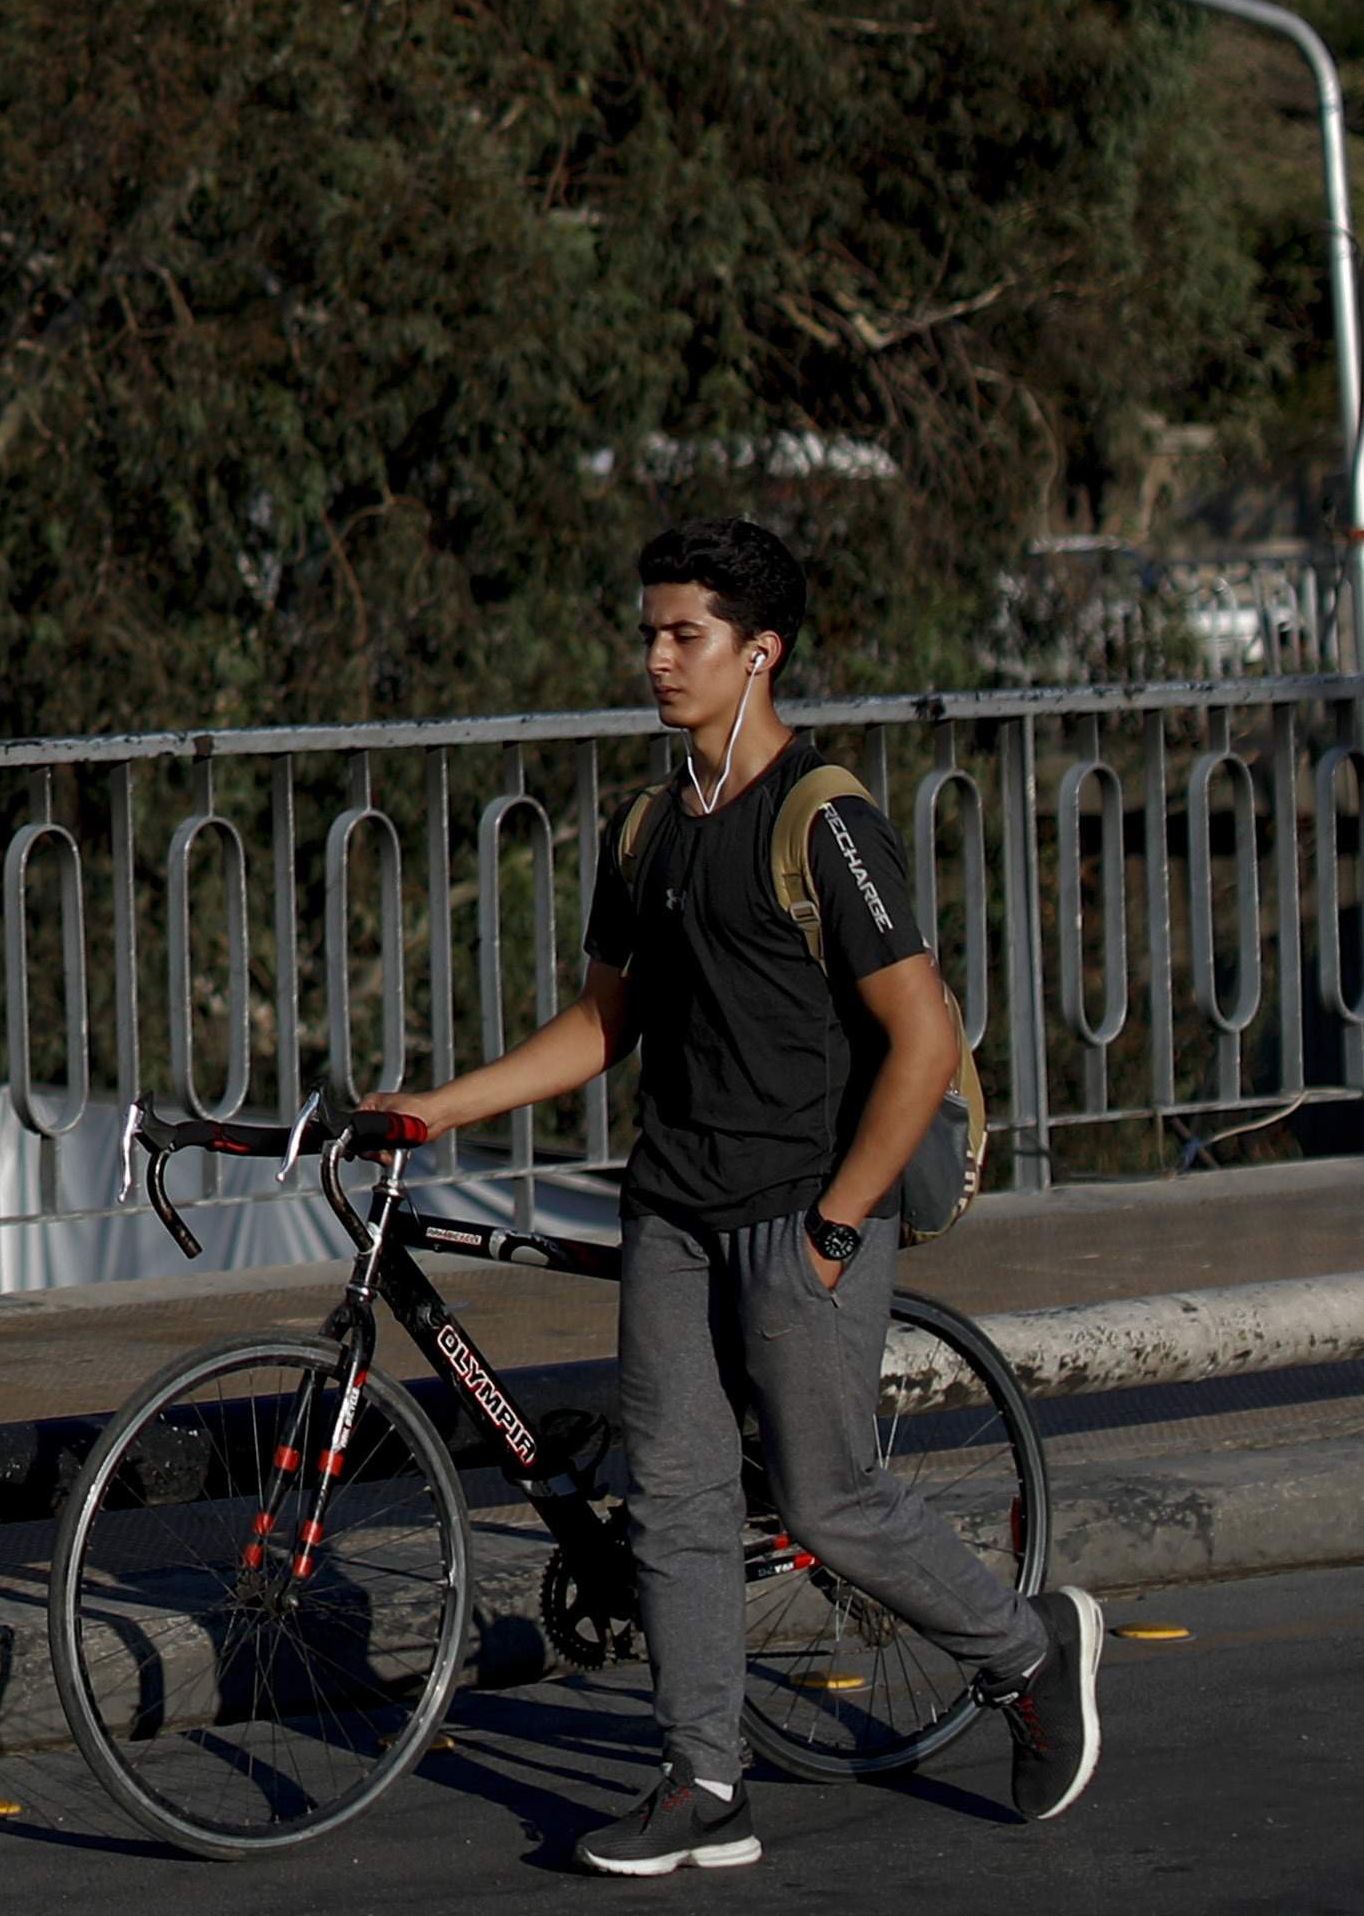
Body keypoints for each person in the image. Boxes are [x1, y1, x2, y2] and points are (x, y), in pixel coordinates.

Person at [370, 519, 1103, 1874]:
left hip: (803, 1209)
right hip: (676, 1207)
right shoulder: (649, 827)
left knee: (827, 1504)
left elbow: (923, 1039)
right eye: (650, 630)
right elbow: (602, 1029)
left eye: (684, 634)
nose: (656, 656)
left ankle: (1027, 1646)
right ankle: (704, 1780)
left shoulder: (826, 819)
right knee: (681, 1504)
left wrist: (839, 1222)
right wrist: (434, 1108)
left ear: (758, 653)